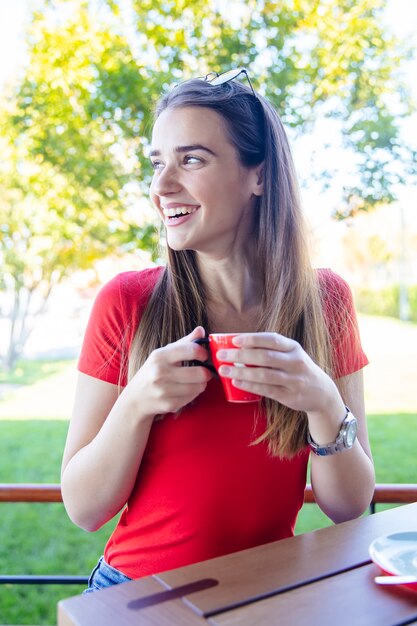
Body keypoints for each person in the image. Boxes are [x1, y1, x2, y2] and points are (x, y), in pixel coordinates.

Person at [61, 68, 375, 593]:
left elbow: (350, 507)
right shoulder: (127, 302)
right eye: (158, 163)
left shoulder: (326, 303)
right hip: (137, 596)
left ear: (259, 175)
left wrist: (322, 402)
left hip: (266, 594)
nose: (162, 186)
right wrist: (138, 402)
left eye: (191, 159)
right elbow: (85, 509)